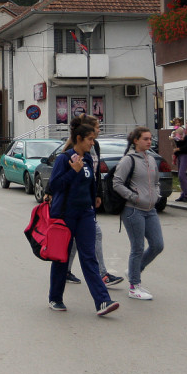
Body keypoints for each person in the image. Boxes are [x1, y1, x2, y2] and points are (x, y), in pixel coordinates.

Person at [44, 120, 119, 316]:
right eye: (90, 139)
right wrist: (72, 172)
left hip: (85, 214)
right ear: (79, 139)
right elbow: (55, 185)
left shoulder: (86, 160)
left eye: (94, 139)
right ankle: (55, 298)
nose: (93, 143)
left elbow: (90, 183)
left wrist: (95, 197)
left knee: (89, 257)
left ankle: (103, 301)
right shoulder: (65, 159)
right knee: (62, 258)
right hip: (65, 215)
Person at [64, 115, 124, 287]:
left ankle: (65, 270)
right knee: (95, 233)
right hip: (75, 201)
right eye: (97, 127)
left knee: (76, 238)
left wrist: (97, 194)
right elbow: (63, 179)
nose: (99, 130)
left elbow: (95, 173)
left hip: (88, 198)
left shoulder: (95, 146)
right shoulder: (71, 150)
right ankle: (102, 274)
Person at [113, 126, 164, 300]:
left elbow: (156, 181)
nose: (149, 142)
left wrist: (156, 195)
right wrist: (133, 197)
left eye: (150, 139)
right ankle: (134, 287)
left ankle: (134, 270)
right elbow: (117, 182)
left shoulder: (151, 159)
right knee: (138, 247)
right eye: (145, 139)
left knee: (158, 245)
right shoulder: (129, 160)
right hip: (133, 210)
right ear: (136, 141)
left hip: (150, 210)